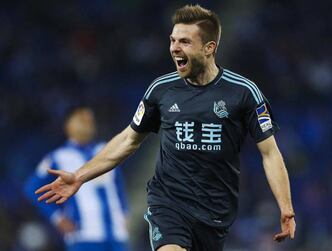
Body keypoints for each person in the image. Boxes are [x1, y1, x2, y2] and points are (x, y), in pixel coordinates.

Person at [35, 5, 296, 251]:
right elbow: (128, 139)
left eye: (184, 42)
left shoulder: (244, 93)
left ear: (209, 48)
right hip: (168, 203)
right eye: (173, 40)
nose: (174, 48)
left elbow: (270, 153)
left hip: (216, 212)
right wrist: (80, 175)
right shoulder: (161, 90)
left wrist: (286, 208)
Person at [25, 107, 130, 251]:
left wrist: (124, 212)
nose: (87, 124)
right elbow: (32, 187)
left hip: (117, 235)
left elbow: (117, 184)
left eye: (90, 120)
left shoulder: (105, 150)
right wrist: (56, 218)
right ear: (68, 125)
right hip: (83, 236)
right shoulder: (58, 157)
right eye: (82, 119)